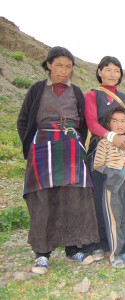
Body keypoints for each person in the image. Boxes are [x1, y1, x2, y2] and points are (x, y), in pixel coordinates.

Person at [17, 46, 99, 274]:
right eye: (59, 65)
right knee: (42, 198)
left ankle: (74, 249)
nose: (64, 70)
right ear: (49, 65)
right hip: (42, 146)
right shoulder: (37, 90)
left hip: (71, 147)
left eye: (69, 66)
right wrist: (30, 147)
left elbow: (82, 124)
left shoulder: (77, 93)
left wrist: (78, 142)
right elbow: (24, 120)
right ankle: (42, 253)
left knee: (74, 196)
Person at [84, 56, 125, 261]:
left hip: (123, 152)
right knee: (100, 196)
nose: (112, 74)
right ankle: (99, 243)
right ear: (99, 72)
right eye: (108, 69)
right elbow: (92, 123)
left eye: (116, 70)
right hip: (101, 150)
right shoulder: (92, 95)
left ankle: (121, 243)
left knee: (121, 196)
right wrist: (113, 136)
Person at [93, 106, 125, 268]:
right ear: (109, 124)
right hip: (113, 187)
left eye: (123, 121)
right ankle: (115, 254)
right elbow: (97, 164)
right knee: (114, 219)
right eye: (115, 121)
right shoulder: (104, 143)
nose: (119, 124)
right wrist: (114, 172)